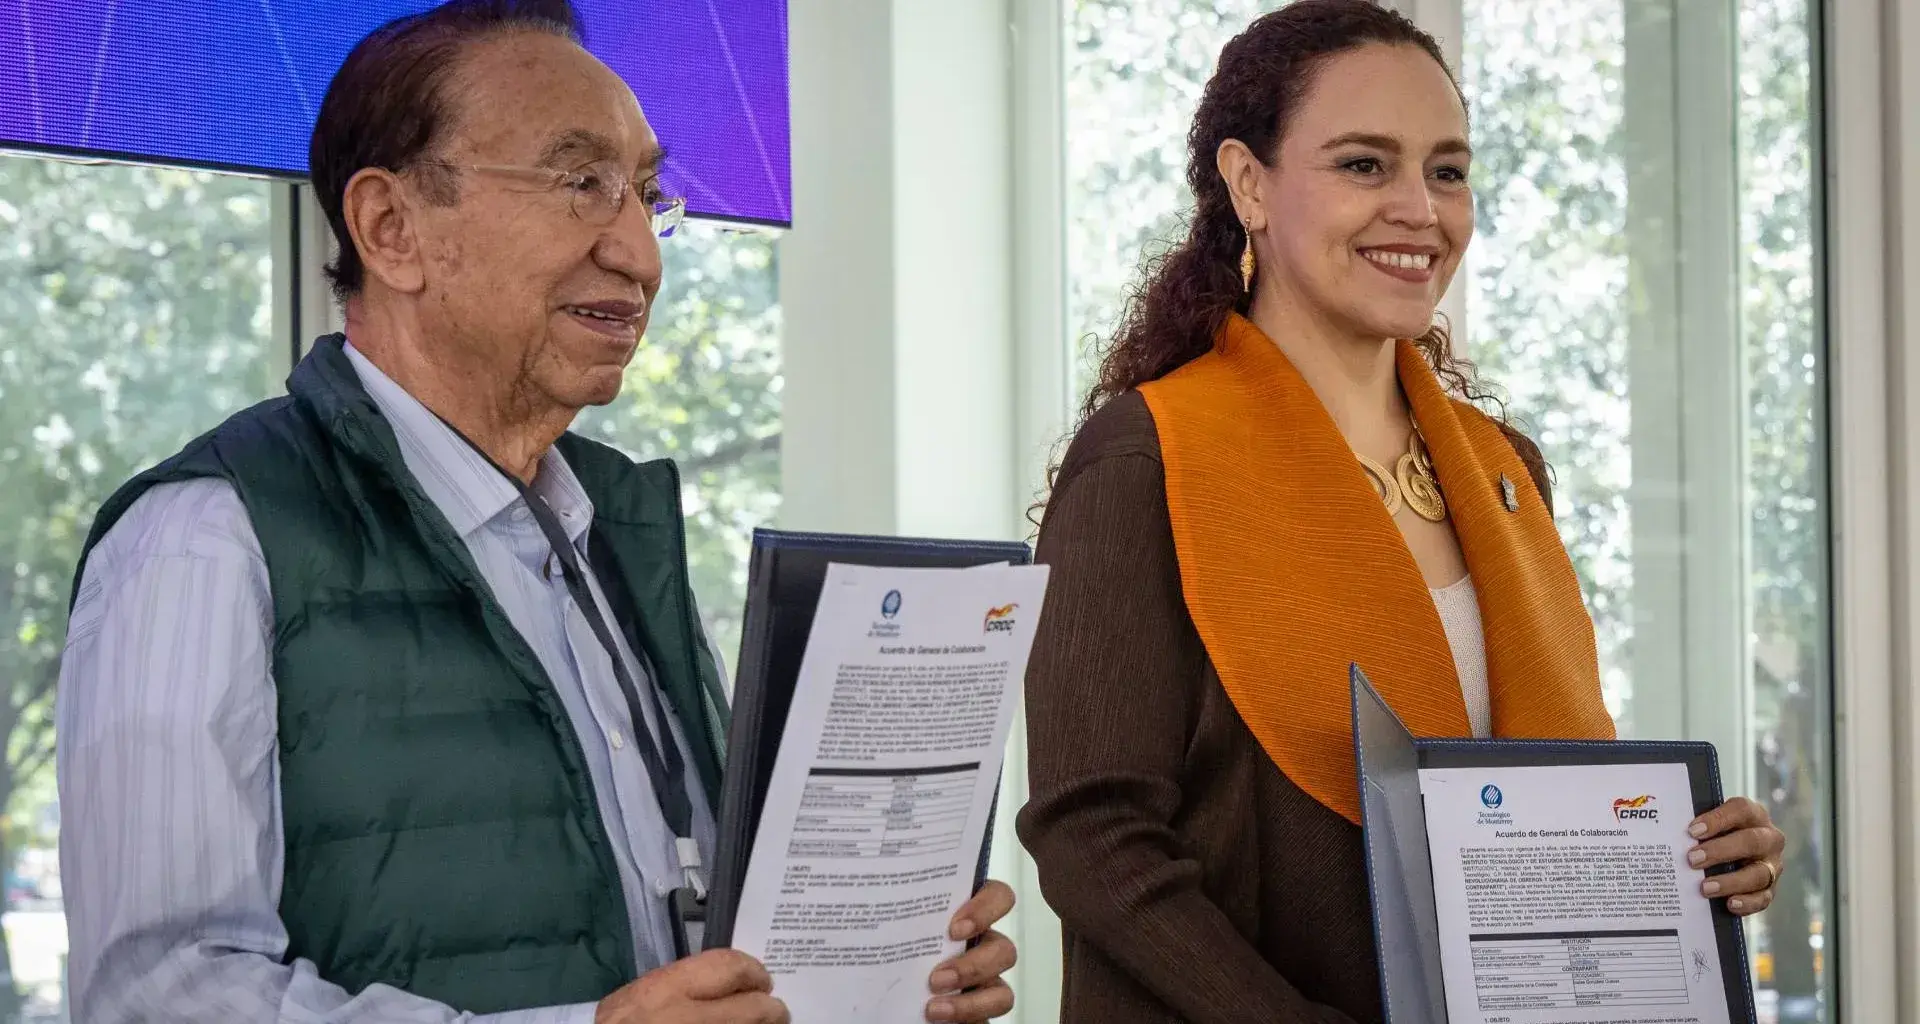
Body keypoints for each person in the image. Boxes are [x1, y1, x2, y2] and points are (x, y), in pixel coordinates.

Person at [54, 2, 1017, 1022]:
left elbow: (692, 932)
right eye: (580, 183)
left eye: (646, 193)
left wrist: (880, 965)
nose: (641, 255)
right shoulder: (205, 540)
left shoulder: (619, 534)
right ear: (392, 228)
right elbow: (157, 994)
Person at [1015, 2, 1787, 1022]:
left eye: (1448, 170)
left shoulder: (1503, 472)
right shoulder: (1143, 463)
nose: (1421, 209)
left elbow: (1527, 800)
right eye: (1364, 165)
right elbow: (1095, 843)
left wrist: (1691, 856)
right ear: (1248, 183)